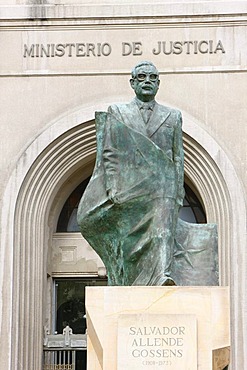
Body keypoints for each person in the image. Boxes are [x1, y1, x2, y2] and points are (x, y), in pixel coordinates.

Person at [77, 61, 184, 286]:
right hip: (130, 188)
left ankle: (161, 276)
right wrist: (113, 186)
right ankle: (131, 279)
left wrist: (179, 193)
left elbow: (177, 158)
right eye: (142, 77)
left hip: (161, 188)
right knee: (129, 242)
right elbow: (110, 151)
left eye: (153, 78)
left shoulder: (173, 116)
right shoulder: (118, 112)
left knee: (162, 230)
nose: (148, 81)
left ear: (158, 83)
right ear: (133, 83)